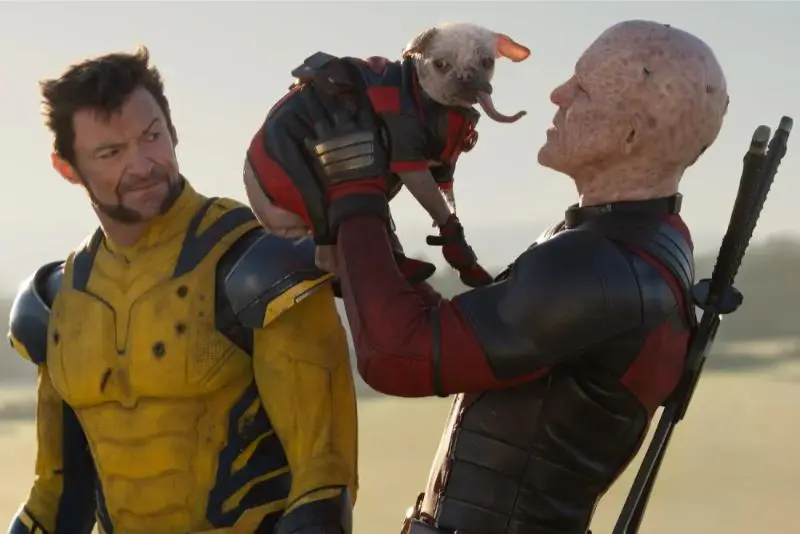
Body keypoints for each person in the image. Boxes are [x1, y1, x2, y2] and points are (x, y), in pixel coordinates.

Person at [247, 19, 729, 534]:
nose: (558, 94)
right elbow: (448, 330)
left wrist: (354, 186)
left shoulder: (595, 266)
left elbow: (397, 354)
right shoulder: (626, 242)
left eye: (583, 89)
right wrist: (361, 236)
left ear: (631, 133)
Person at [6, 47, 358, 534]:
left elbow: (323, 480)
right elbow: (55, 498)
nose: (143, 164)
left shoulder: (254, 265)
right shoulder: (59, 304)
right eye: (110, 153)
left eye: (151, 136)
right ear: (67, 167)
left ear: (173, 129)